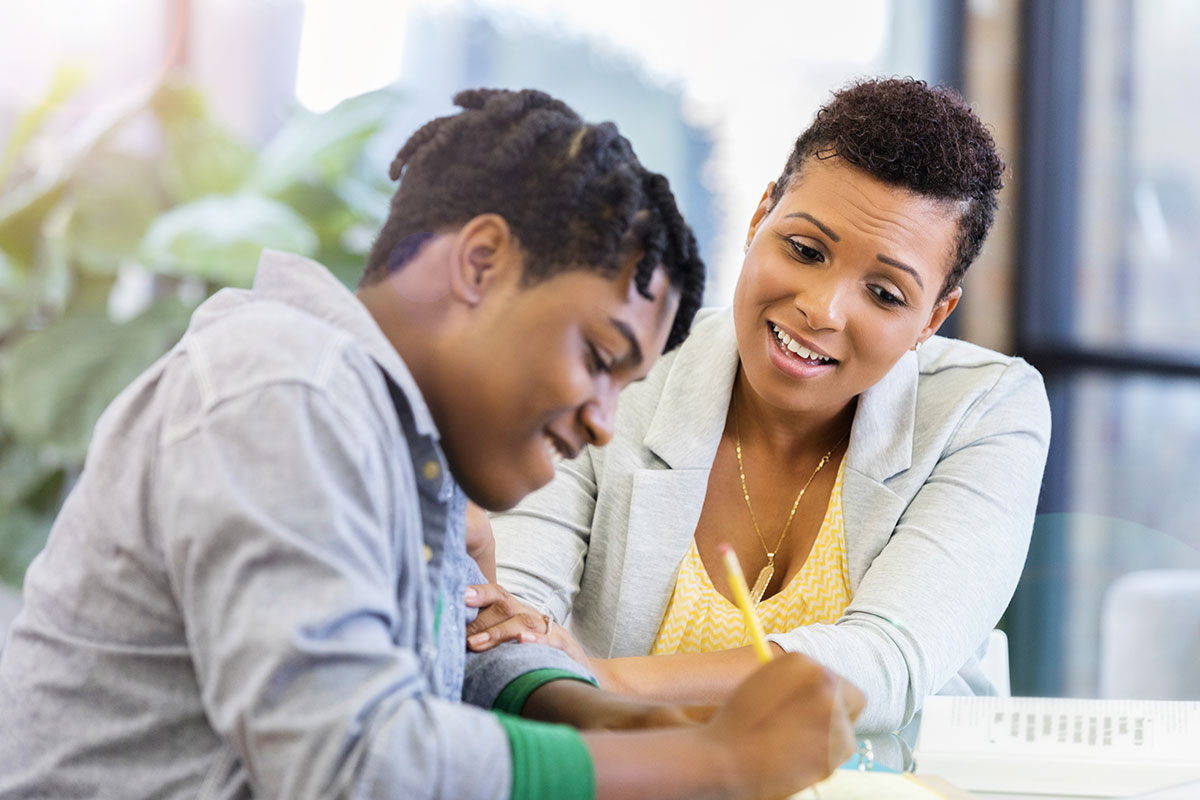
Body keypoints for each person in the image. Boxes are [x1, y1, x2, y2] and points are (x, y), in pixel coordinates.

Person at [0, 89, 863, 799]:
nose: (603, 420)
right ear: (481, 261)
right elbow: (353, 762)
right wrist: (708, 765)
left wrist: (617, 718)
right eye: (599, 359)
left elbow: (457, 651)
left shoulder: (398, 431)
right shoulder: (287, 391)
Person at [472, 78, 1052, 735]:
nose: (822, 310)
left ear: (934, 317)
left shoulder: (984, 410)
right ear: (759, 218)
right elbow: (507, 617)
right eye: (805, 251)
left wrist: (599, 680)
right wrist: (534, 649)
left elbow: (884, 665)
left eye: (885, 293)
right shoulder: (625, 365)